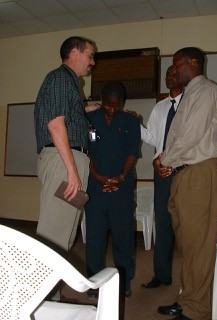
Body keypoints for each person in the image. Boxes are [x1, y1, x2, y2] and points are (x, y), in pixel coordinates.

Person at [156, 47, 217, 320]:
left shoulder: (206, 90)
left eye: (177, 65)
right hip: (185, 173)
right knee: (187, 244)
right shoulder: (191, 94)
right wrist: (169, 162)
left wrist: (165, 160)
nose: (174, 71)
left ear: (193, 62)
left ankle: (196, 311)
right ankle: (187, 300)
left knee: (199, 246)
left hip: (200, 173)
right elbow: (179, 136)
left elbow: (191, 135)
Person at [34, 36, 100, 252]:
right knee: (53, 238)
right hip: (64, 162)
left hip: (69, 160)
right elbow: (55, 125)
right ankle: (42, 286)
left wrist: (85, 109)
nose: (92, 62)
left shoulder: (68, 82)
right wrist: (71, 171)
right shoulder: (61, 79)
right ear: (74, 53)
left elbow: (66, 117)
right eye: (89, 55)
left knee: (65, 235)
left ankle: (54, 286)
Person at [85, 81, 141, 299]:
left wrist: (122, 177)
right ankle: (94, 283)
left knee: (123, 238)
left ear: (122, 103)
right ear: (102, 100)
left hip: (122, 188)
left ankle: (124, 282)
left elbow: (132, 153)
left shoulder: (131, 121)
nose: (112, 110)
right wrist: (98, 177)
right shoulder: (89, 120)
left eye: (116, 106)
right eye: (108, 106)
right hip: (96, 188)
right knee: (95, 238)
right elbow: (86, 152)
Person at [140, 65, 183, 289]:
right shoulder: (160, 107)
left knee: (186, 226)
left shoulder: (191, 103)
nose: (169, 77)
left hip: (186, 171)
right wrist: (134, 124)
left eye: (174, 74)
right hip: (163, 172)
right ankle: (162, 275)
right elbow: (153, 138)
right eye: (167, 74)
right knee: (163, 223)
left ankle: (190, 283)